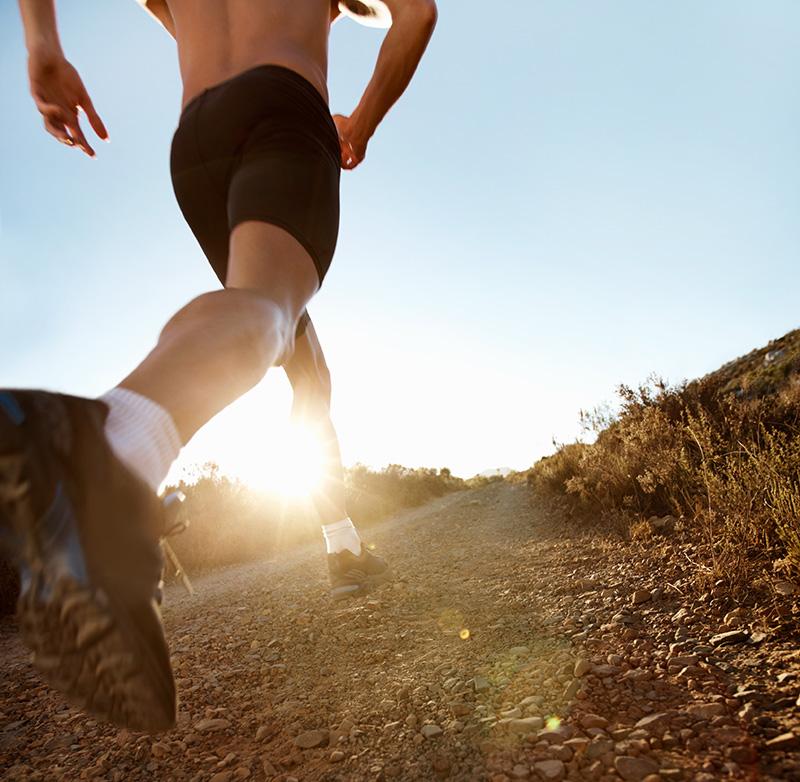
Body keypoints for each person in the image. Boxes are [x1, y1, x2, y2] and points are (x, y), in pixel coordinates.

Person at [3, 0, 436, 733]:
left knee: (294, 352)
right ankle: (107, 447)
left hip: (197, 136)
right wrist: (357, 125)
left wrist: (41, 45)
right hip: (282, 112)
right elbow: (417, 15)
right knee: (266, 310)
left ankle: (342, 546)